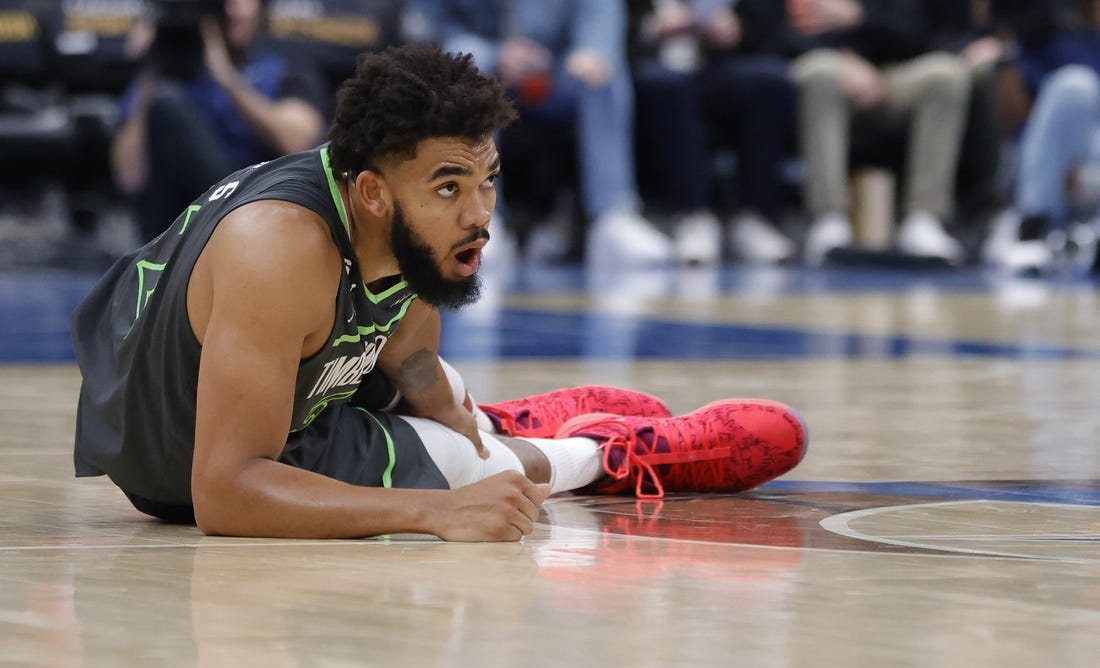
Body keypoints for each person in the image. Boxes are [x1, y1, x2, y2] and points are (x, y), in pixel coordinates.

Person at [71, 45, 809, 541]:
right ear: (371, 192)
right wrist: (441, 508)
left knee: (443, 408)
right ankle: (595, 453)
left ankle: (495, 422)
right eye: (449, 186)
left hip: (254, 391)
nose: (479, 213)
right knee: (482, 479)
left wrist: (450, 408)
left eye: (487, 181)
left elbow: (412, 348)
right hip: (187, 464)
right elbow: (224, 495)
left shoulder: (384, 201)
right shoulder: (281, 249)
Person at [407, 0, 674, 266]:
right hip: (490, 66)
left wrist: (592, 47)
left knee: (603, 68)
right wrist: (498, 53)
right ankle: (476, 220)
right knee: (464, 57)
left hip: (556, 69)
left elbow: (599, 11)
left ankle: (612, 215)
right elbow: (433, 23)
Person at [110, 0, 327, 241]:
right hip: (177, 233)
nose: (230, 10)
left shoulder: (284, 63)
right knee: (166, 103)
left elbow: (298, 141)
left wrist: (224, 75)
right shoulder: (169, 71)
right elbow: (129, 177)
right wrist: (151, 67)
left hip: (254, 222)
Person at [784, 0, 972, 266]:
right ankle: (828, 218)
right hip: (826, 69)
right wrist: (841, 56)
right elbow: (779, 33)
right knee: (820, 73)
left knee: (945, 75)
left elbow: (921, 33)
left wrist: (861, 18)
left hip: (894, 75)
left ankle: (924, 217)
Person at [629, 0, 798, 265]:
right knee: (666, 86)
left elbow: (771, 25)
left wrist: (737, 27)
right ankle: (693, 217)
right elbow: (610, 28)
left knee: (771, 81)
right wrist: (652, 28)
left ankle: (754, 218)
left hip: (717, 66)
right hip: (655, 66)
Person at [983, 0, 1100, 275]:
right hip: (1034, 163)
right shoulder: (1041, 28)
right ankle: (1031, 227)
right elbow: (1011, 115)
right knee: (1075, 85)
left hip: (1091, 166)